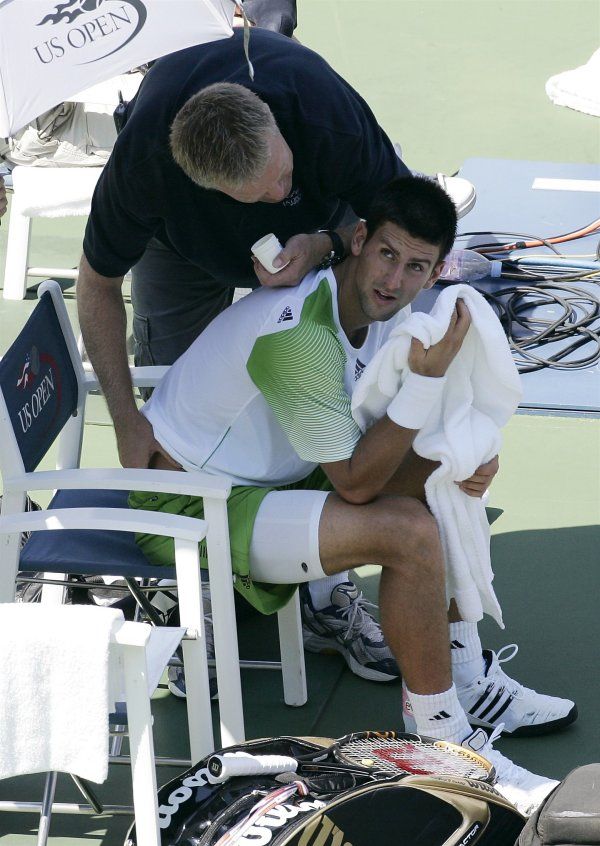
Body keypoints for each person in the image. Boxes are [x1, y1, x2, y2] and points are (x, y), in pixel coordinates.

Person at [130, 176, 576, 815]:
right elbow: (358, 481)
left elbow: (379, 444)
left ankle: (468, 680)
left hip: (268, 477)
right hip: (191, 506)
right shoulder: (299, 334)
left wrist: (466, 454)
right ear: (360, 241)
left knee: (444, 472)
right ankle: (442, 742)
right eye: (387, 254)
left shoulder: (369, 316)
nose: (395, 279)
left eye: (416, 266)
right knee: (406, 531)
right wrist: (426, 384)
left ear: (435, 273)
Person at [75, 28, 474, 679]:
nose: (273, 198)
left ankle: (318, 590)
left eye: (280, 178)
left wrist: (320, 241)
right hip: (181, 252)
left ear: (278, 124)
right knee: (185, 420)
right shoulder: (143, 170)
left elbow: (393, 235)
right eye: (255, 197)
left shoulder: (323, 111)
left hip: (321, 234)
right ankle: (194, 590)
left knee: (341, 401)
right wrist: (125, 418)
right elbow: (94, 286)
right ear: (198, 183)